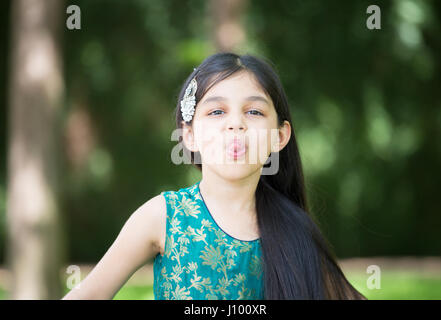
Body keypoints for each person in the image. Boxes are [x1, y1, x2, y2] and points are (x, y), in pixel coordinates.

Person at [63, 52, 366, 300]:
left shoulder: (295, 231)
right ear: (189, 135)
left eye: (254, 112)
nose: (235, 124)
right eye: (217, 112)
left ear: (279, 136)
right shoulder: (164, 217)